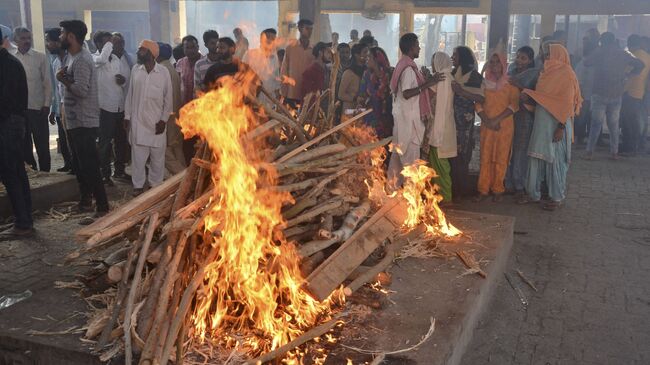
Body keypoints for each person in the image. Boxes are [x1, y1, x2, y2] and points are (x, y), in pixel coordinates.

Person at [57, 19, 109, 220]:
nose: (60, 37)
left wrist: (63, 80)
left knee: (90, 164)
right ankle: (86, 201)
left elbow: (81, 89)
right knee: (79, 164)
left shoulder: (82, 59)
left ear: (71, 36)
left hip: (84, 121)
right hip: (73, 119)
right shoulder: (72, 57)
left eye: (62, 33)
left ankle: (102, 206)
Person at [521, 43, 583, 211]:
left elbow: (567, 104)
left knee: (555, 161)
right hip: (542, 122)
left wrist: (561, 127)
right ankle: (533, 193)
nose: (544, 57)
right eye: (544, 53)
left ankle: (557, 197)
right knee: (536, 157)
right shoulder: (544, 73)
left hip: (557, 124)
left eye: (548, 54)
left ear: (558, 55)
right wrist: (528, 99)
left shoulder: (567, 74)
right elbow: (544, 100)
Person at [387, 33, 440, 188]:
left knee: (396, 165)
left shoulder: (403, 64)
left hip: (403, 123)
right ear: (411, 48)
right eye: (417, 45)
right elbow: (407, 93)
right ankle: (411, 203)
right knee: (411, 167)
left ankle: (390, 197)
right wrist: (428, 83)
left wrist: (425, 80)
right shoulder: (408, 69)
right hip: (409, 125)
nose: (419, 48)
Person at [584, 32, 644, 160]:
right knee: (614, 125)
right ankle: (614, 152)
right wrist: (628, 75)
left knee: (596, 124)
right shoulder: (623, 53)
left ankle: (590, 151)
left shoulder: (599, 52)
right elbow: (640, 65)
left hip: (599, 92)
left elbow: (586, 62)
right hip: (616, 93)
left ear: (602, 42)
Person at [124, 40, 173, 196]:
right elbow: (130, 95)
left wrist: (164, 120)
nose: (138, 52)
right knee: (138, 159)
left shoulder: (163, 72)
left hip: (157, 123)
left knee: (157, 159)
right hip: (138, 123)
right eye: (139, 50)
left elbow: (168, 99)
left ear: (151, 53)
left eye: (142, 50)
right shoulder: (135, 70)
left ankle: (155, 188)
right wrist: (127, 116)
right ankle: (137, 187)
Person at [0, 25, 34, 236]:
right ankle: (24, 218)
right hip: (12, 123)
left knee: (10, 173)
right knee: (17, 172)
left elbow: (5, 101)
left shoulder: (7, 64)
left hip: (7, 125)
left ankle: (23, 223)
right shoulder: (9, 62)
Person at [474, 52, 519, 202]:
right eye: (491, 62)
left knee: (501, 158)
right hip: (487, 126)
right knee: (485, 157)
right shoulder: (484, 83)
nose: (494, 65)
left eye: (497, 62)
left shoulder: (511, 84)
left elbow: (514, 104)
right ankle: (483, 189)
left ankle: (498, 189)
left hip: (504, 127)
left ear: (503, 64)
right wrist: (487, 120)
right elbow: (478, 103)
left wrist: (496, 120)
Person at [92, 30, 130, 186]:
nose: (112, 45)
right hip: (104, 107)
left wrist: (123, 81)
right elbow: (101, 59)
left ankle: (119, 171)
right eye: (108, 42)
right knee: (105, 143)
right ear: (99, 44)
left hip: (119, 107)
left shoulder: (116, 59)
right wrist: (109, 44)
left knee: (120, 141)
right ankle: (105, 175)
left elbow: (124, 81)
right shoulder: (94, 58)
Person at [11, 27, 52, 172]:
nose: (27, 41)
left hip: (38, 109)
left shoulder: (39, 57)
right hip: (19, 110)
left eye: (29, 38)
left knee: (42, 145)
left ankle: (46, 173)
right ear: (15, 40)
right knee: (24, 145)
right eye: (23, 38)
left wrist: (47, 105)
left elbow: (47, 83)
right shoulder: (10, 57)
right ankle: (32, 172)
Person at [449, 46, 485, 199]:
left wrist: (461, 92)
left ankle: (461, 190)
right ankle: (453, 189)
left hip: (464, 123)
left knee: (463, 154)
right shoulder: (451, 74)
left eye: (455, 55)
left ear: (463, 58)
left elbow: (482, 98)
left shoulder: (475, 77)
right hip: (450, 121)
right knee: (451, 155)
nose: (452, 58)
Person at [422, 52, 456, 203]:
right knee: (442, 163)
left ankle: (445, 198)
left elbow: (426, 97)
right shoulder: (450, 77)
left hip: (438, 127)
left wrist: (426, 79)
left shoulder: (439, 78)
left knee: (439, 164)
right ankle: (443, 197)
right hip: (447, 124)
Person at [505, 46, 537, 197]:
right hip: (508, 116)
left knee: (519, 151)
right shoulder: (510, 71)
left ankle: (519, 185)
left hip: (524, 117)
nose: (519, 60)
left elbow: (537, 96)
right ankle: (507, 183)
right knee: (507, 149)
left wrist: (520, 87)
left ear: (530, 60)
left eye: (523, 58)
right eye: (518, 57)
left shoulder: (534, 74)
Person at [45, 27, 73, 173]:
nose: (47, 44)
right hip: (60, 107)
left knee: (72, 140)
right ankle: (69, 164)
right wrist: (53, 110)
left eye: (49, 41)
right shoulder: (56, 61)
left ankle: (76, 167)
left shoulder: (71, 59)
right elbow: (57, 90)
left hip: (71, 107)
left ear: (57, 42)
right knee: (63, 139)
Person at [157, 42, 185, 175]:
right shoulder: (171, 68)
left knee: (165, 152)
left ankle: (182, 177)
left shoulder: (161, 70)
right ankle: (189, 176)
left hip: (166, 117)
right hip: (175, 116)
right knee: (177, 149)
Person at [620, 34, 650, 156]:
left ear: (629, 43)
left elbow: (625, 72)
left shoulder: (633, 55)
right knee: (635, 121)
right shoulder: (647, 56)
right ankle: (635, 145)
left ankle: (629, 146)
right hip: (640, 91)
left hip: (629, 91)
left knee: (628, 121)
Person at [175, 35, 201, 164]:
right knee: (187, 142)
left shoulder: (203, 62)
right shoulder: (180, 63)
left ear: (198, 47)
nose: (190, 50)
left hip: (201, 111)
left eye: (193, 47)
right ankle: (188, 169)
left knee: (200, 141)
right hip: (185, 110)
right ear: (183, 49)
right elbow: (177, 84)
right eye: (187, 47)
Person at [359, 47, 393, 138]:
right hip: (371, 114)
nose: (366, 59)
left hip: (387, 114)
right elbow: (362, 93)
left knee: (387, 144)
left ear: (377, 59)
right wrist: (360, 102)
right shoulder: (366, 74)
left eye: (369, 57)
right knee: (371, 144)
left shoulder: (390, 73)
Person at [280, 19, 314, 107]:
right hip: (292, 93)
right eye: (307, 29)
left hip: (307, 93)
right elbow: (284, 71)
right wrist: (283, 92)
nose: (310, 32)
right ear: (299, 29)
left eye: (311, 29)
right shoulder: (290, 48)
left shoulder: (314, 50)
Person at [573, 31, 599, 144]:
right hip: (584, 91)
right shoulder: (583, 61)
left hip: (588, 90)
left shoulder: (584, 61)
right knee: (583, 115)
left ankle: (581, 137)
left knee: (585, 115)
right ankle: (579, 137)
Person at [243, 28, 280, 100]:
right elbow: (242, 72)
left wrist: (278, 95)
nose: (270, 40)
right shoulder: (250, 54)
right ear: (261, 39)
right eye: (268, 37)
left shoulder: (274, 58)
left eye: (273, 38)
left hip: (269, 99)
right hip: (252, 97)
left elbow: (276, 79)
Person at [338, 43, 369, 110]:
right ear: (357, 55)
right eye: (365, 52)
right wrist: (355, 98)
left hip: (364, 110)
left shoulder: (368, 72)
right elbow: (340, 95)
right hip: (350, 111)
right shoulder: (348, 73)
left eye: (368, 52)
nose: (367, 55)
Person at [194, 30, 220, 94]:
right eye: (212, 43)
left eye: (217, 42)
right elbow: (197, 87)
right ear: (206, 45)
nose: (216, 46)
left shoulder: (224, 62)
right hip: (207, 101)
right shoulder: (199, 64)